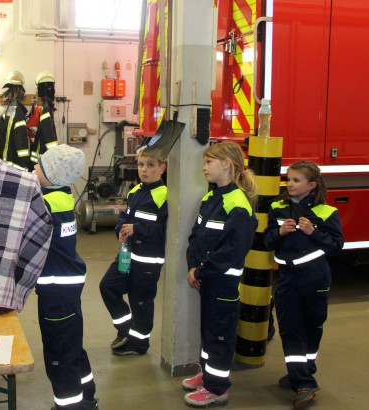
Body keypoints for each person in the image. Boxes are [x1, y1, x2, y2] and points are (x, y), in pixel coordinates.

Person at [182, 141, 258, 407]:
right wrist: (193, 266)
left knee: (220, 335)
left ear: (227, 164)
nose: (204, 168)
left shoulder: (238, 204)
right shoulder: (211, 198)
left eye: (209, 162)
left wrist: (202, 271)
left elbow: (232, 252)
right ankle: (207, 374)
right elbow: (196, 236)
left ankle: (217, 388)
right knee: (209, 331)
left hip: (222, 283)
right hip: (207, 279)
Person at [263, 160, 343, 409]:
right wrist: (279, 234)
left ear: (312, 186)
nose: (290, 184)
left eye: (297, 180)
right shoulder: (277, 208)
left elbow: (336, 246)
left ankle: (302, 371)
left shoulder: (326, 212)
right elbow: (266, 241)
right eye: (289, 179)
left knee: (312, 327)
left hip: (315, 279)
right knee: (290, 328)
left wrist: (314, 233)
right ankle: (304, 383)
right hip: (287, 279)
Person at [33, 144, 98, 410]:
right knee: (71, 345)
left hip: (56, 290)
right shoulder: (61, 196)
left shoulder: (46, 204)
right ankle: (87, 395)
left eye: (39, 164)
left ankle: (69, 405)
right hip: (67, 286)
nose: (33, 167)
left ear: (52, 173)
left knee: (59, 352)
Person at [99, 147, 168, 356]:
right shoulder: (134, 192)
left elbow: (164, 230)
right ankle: (126, 330)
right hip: (127, 256)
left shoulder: (164, 196)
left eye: (150, 165)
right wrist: (121, 229)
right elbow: (123, 218)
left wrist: (137, 229)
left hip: (148, 261)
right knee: (108, 286)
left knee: (141, 302)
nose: (144, 170)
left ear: (162, 168)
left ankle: (139, 344)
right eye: (141, 165)